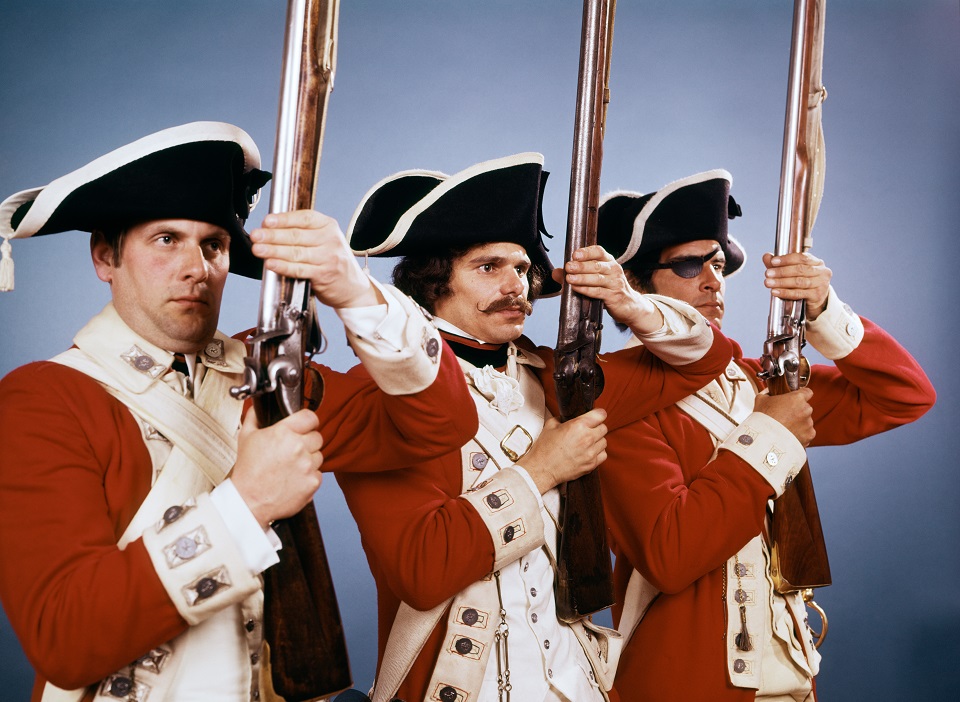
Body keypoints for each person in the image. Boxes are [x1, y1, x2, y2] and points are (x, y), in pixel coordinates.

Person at [0, 122, 476, 702]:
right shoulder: (44, 399)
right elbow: (64, 638)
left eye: (213, 245)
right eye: (166, 239)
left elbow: (444, 424)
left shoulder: (269, 376)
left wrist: (356, 291)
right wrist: (247, 504)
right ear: (106, 256)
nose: (195, 267)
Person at [336, 153, 737, 702]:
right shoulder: (380, 393)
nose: (516, 287)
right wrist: (541, 469)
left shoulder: (555, 377)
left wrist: (627, 300)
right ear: (434, 282)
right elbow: (422, 571)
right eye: (488, 267)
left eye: (522, 269)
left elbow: (708, 356)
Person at [594, 169, 936, 702]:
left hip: (791, 681)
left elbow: (905, 395)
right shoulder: (616, 395)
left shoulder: (758, 380)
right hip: (683, 685)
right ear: (635, 285)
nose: (713, 280)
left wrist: (825, 309)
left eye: (717, 263)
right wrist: (769, 435)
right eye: (689, 264)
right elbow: (671, 554)